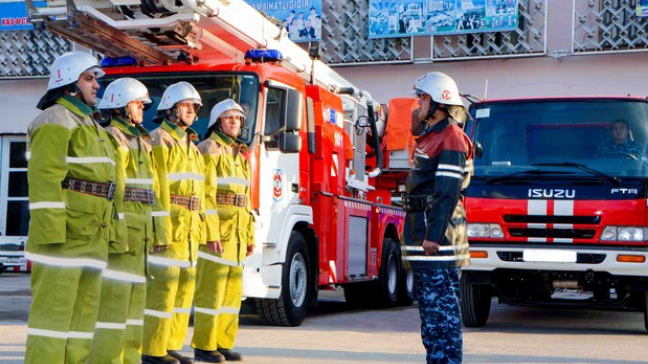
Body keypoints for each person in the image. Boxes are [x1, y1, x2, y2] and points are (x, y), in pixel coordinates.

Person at [25, 51, 120, 364]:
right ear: (69, 83)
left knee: (82, 321)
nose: (97, 86)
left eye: (96, 79)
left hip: (93, 235)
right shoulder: (55, 119)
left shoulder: (92, 125)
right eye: (89, 78)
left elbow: (108, 185)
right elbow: (44, 180)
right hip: (63, 239)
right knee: (53, 321)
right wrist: (53, 235)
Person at [90, 78, 167, 364]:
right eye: (138, 105)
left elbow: (154, 191)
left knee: (135, 308)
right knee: (114, 306)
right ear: (122, 106)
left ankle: (130, 360)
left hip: (142, 232)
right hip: (122, 233)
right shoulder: (112, 136)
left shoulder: (141, 140)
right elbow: (114, 190)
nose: (143, 110)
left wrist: (158, 232)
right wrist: (115, 231)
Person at [400, 72, 473, 364]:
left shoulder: (451, 137)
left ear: (440, 102)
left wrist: (432, 236)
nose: (418, 102)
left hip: (438, 239)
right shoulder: (430, 136)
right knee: (431, 316)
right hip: (425, 234)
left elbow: (447, 192)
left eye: (423, 98)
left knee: (443, 314)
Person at [141, 81, 207, 364]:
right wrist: (159, 230)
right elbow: (156, 189)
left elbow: (201, 192)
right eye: (187, 106)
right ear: (171, 109)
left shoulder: (191, 144)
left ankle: (170, 346)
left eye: (195, 107)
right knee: (162, 290)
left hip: (190, 227)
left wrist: (202, 226)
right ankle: (152, 349)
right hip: (171, 224)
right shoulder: (159, 139)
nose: (192, 111)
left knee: (183, 291)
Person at [191, 99, 255, 363]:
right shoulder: (209, 148)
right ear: (218, 121)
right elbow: (205, 194)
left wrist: (250, 235)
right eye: (229, 118)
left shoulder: (239, 155)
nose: (234, 123)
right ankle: (204, 346)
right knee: (211, 292)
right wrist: (211, 232)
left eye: (238, 119)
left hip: (238, 234)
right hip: (218, 234)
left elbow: (247, 199)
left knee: (231, 295)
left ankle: (223, 343)